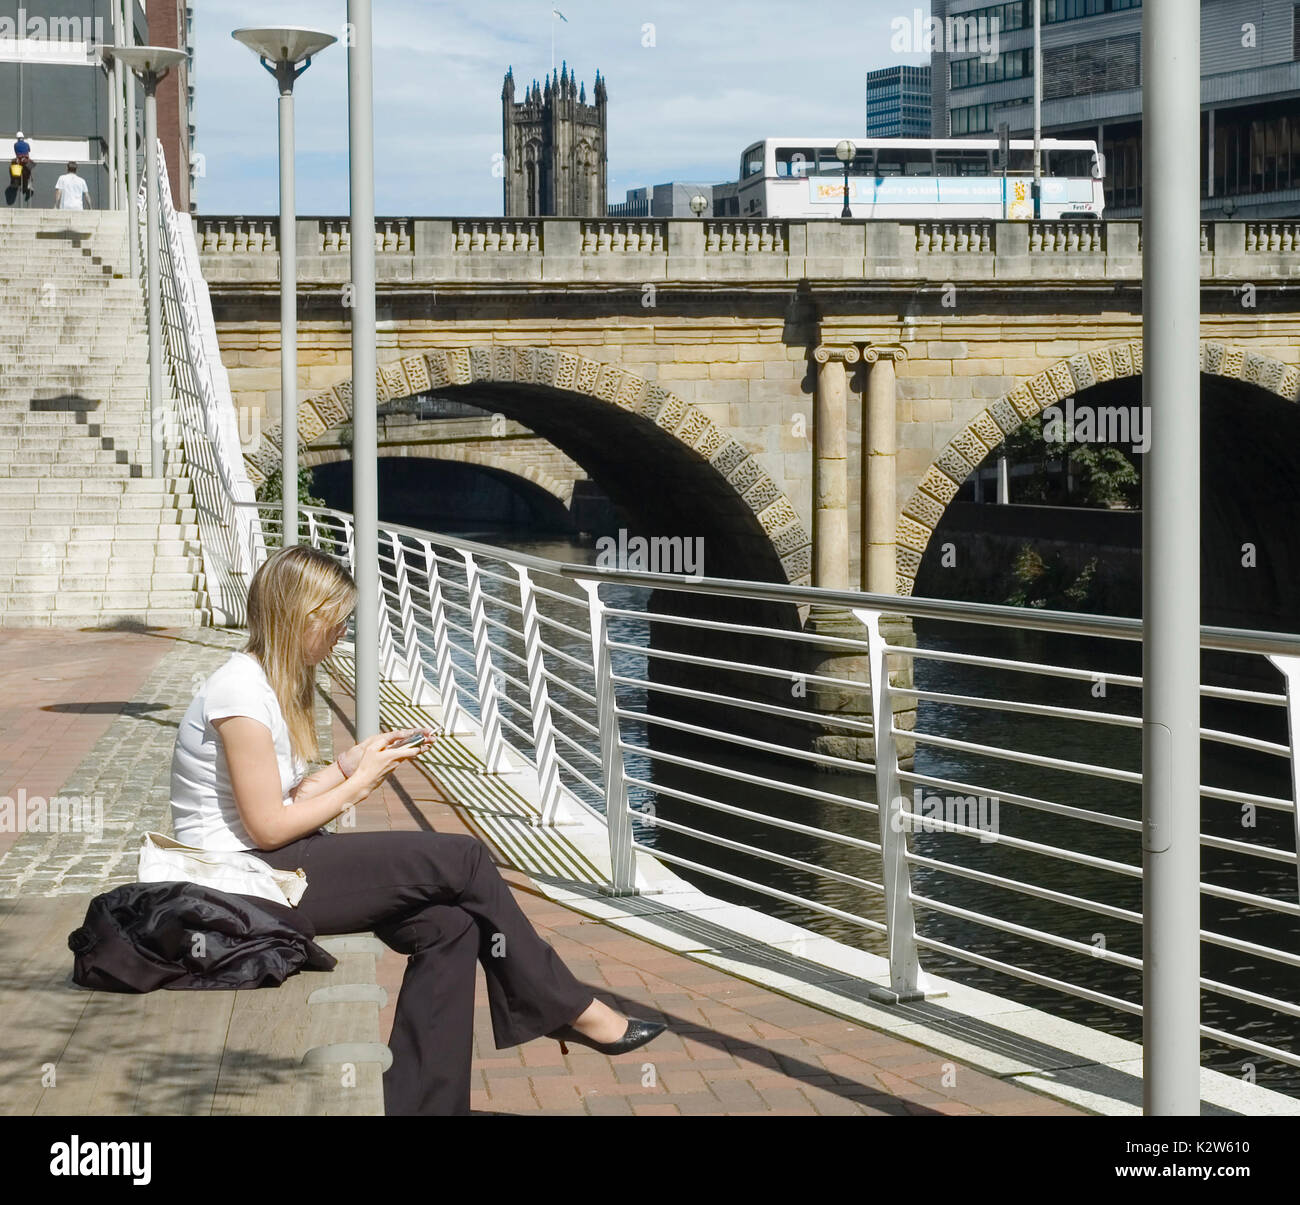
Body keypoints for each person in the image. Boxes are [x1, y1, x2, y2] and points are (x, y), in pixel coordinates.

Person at [168, 543, 665, 1115]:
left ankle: (426, 1107)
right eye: (336, 621)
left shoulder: (264, 682)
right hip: (239, 882)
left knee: (450, 925)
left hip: (269, 864)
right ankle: (566, 1006)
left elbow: (287, 799)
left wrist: (348, 765)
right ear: (303, 618)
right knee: (464, 858)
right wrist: (359, 787)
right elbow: (268, 828)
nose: (342, 633)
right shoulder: (239, 693)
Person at [11, 131, 32, 198]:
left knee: (14, 168)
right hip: (26, 160)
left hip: (19, 160)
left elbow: (16, 152)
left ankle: (15, 183)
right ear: (23, 137)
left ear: (17, 138)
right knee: (29, 171)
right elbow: (29, 150)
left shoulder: (15, 144)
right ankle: (29, 184)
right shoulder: (27, 144)